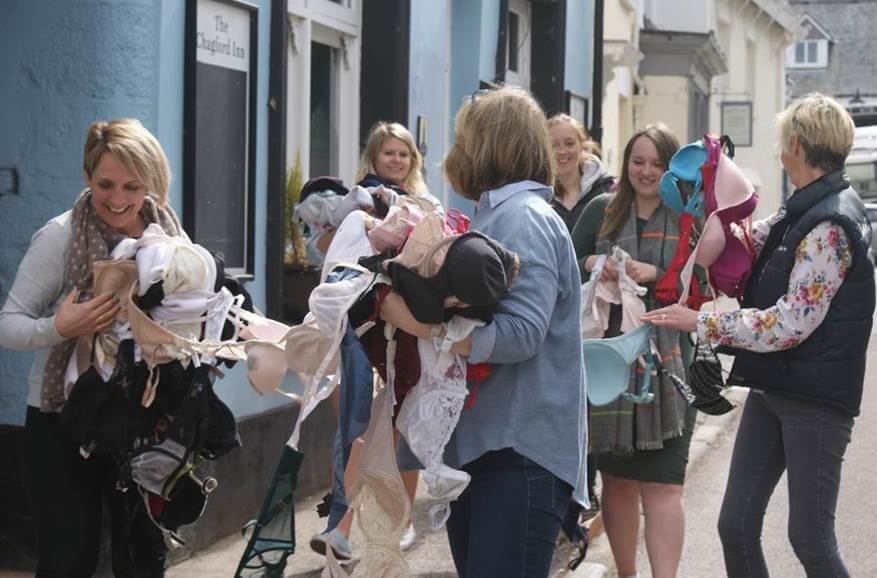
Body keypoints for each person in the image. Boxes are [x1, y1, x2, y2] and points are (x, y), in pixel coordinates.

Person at [645, 93, 874, 578]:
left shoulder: (830, 223)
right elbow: (745, 243)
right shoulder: (803, 209)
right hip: (778, 386)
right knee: (736, 525)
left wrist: (700, 322)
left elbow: (791, 322)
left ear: (796, 143)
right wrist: (707, 196)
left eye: (781, 141)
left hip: (814, 398)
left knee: (810, 539)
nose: (777, 151)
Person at [379, 86, 587, 577]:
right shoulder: (499, 213)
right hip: (491, 447)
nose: (456, 151)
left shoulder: (524, 217)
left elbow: (521, 334)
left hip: (519, 451)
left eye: (464, 138)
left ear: (488, 145)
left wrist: (415, 323)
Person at [0, 118, 183, 577]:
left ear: (152, 185)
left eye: (132, 185)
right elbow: (9, 324)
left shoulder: (170, 238)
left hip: (144, 418)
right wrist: (61, 327)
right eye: (105, 184)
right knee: (67, 560)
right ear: (86, 176)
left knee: (142, 558)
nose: (118, 199)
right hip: (61, 420)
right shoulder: (60, 236)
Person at [310, 121, 441, 560]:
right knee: (357, 425)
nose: (397, 161)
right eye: (388, 153)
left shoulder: (426, 202)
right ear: (373, 157)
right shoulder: (357, 202)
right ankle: (341, 525)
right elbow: (329, 250)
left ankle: (399, 519)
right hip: (365, 330)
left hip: (409, 330)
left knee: (405, 427)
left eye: (404, 153)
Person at [570, 123, 694, 578]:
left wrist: (657, 273)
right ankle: (627, 574)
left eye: (657, 163)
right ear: (625, 164)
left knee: (663, 486)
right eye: (637, 161)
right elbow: (565, 261)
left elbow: (703, 287)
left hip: (671, 365)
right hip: (608, 366)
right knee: (618, 482)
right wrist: (595, 265)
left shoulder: (688, 219)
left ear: (672, 168)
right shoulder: (601, 210)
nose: (646, 171)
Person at [548, 113, 614, 231]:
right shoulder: (538, 195)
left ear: (582, 146)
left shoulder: (607, 190)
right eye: (554, 145)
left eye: (569, 144)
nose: (562, 151)